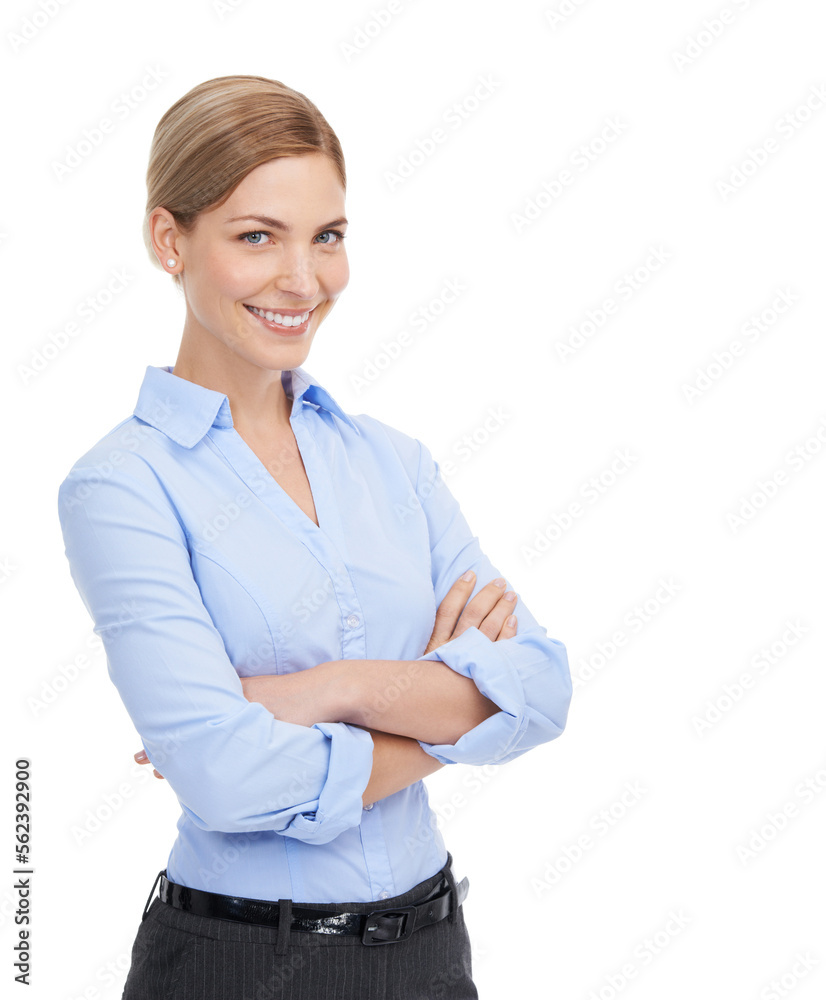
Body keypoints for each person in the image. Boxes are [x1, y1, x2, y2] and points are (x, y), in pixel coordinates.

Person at [57, 74, 572, 999]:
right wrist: (455, 706)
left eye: (327, 237)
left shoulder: (394, 464)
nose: (304, 280)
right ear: (169, 240)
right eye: (257, 237)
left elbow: (543, 687)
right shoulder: (122, 487)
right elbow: (228, 780)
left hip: (430, 951)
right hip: (238, 962)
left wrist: (321, 691)